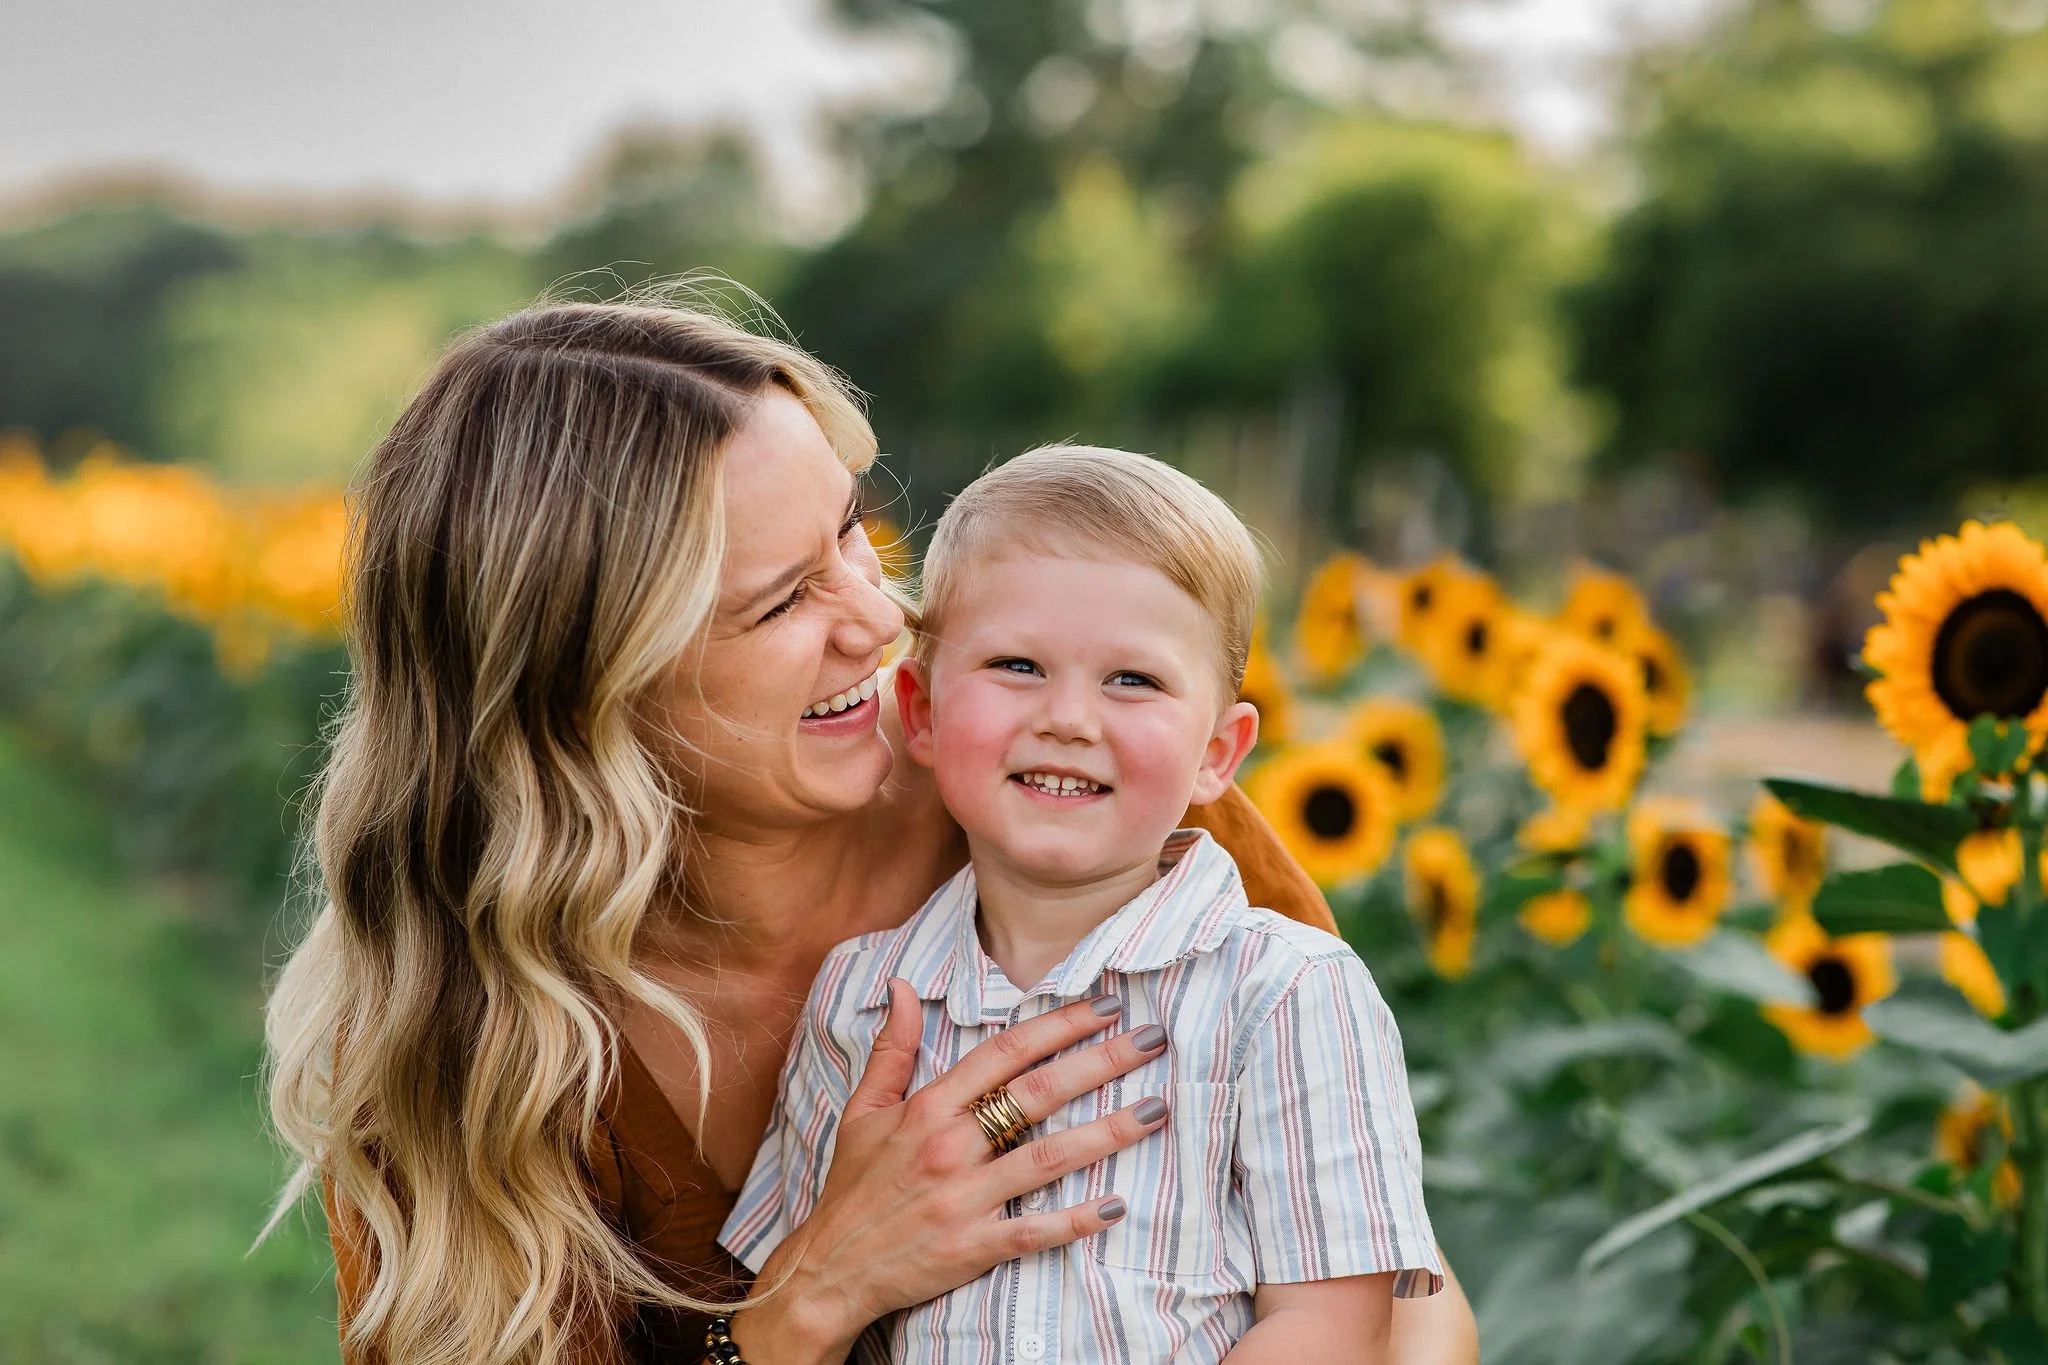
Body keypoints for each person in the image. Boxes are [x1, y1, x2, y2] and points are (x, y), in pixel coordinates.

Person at [263, 297, 1480, 1365]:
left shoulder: (1078, 805)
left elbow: (1407, 1311)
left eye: (850, 534)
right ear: (585, 689)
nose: (874, 618)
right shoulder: (466, 1045)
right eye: (781, 600)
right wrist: (809, 1300)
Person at [721, 446, 1439, 1364]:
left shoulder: (1287, 991)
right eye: (1017, 664)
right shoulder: (861, 998)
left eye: (1132, 680)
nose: (1068, 716)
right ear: (924, 712)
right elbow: (797, 1288)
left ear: (1220, 751)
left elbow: (1331, 1326)